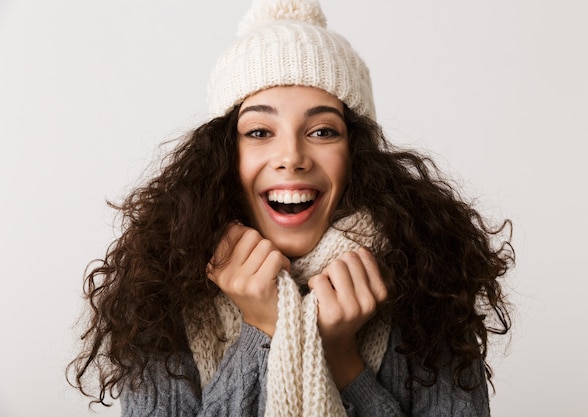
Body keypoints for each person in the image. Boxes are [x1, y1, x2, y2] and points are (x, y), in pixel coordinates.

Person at [68, 0, 514, 416]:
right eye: (260, 132)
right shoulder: (158, 296)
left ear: (357, 155)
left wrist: (342, 360)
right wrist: (262, 332)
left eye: (322, 131)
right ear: (223, 154)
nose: (292, 157)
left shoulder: (434, 286)